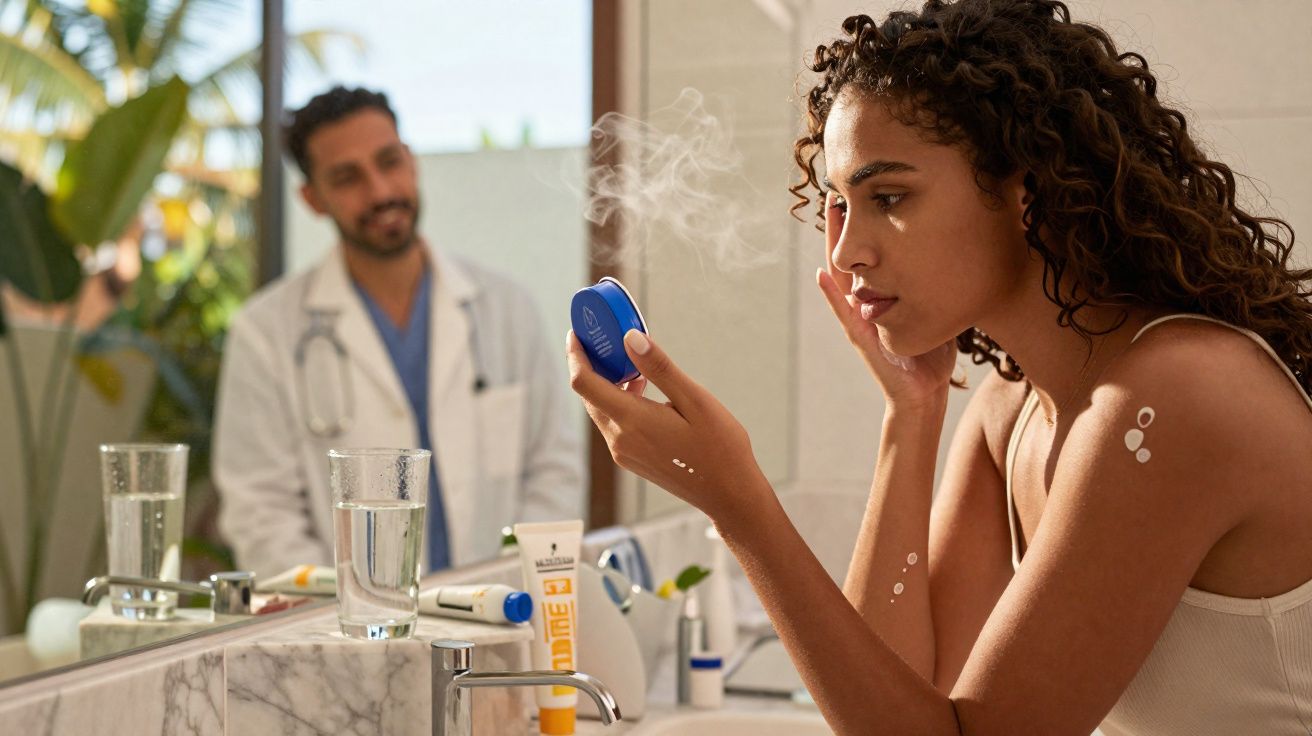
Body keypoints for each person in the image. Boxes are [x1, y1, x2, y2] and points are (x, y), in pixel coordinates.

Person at [566, 1, 1312, 733]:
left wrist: (740, 507)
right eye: (838, 205)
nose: (845, 251)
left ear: (1027, 189)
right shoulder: (1012, 409)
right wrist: (910, 417)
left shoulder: (1173, 396)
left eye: (888, 196)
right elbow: (900, 696)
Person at [214, 87, 582, 580]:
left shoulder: (505, 309)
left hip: (502, 614)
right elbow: (260, 512)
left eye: (389, 162)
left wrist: (511, 587)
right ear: (312, 198)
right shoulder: (266, 333)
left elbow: (554, 470)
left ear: (411, 161)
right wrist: (341, 622)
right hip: (348, 636)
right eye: (348, 178)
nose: (381, 191)